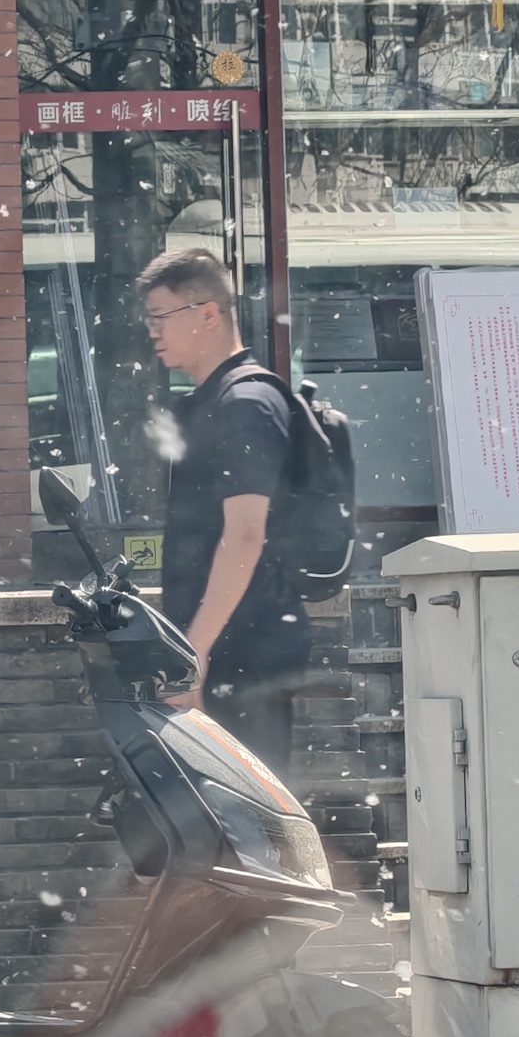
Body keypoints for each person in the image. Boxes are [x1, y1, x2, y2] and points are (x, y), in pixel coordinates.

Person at [136, 248, 312, 774]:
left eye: (161, 316)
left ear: (208, 313)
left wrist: (195, 655)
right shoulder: (215, 401)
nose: (152, 332)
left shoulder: (246, 404)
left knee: (245, 809)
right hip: (228, 652)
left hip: (244, 656)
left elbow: (245, 535)